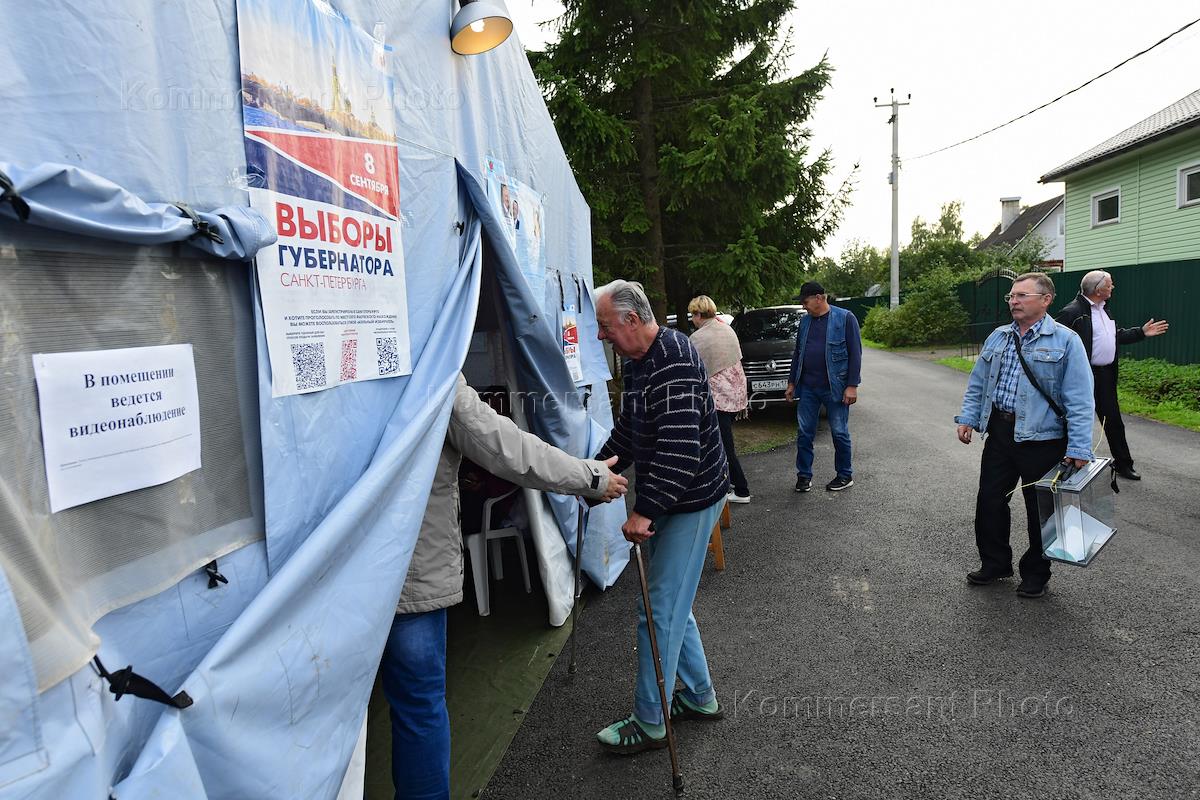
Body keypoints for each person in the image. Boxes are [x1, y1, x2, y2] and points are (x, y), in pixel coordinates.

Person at [384, 374, 627, 799]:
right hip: (408, 566)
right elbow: (503, 446)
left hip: (313, 572)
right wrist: (588, 476)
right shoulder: (426, 355)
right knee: (418, 708)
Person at [592, 279, 729, 754]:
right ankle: (699, 696)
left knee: (656, 611)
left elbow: (680, 450)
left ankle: (651, 721)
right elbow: (629, 430)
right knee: (670, 606)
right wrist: (594, 472)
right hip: (675, 494)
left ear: (632, 320)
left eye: (606, 326)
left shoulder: (671, 359)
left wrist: (644, 511)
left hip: (692, 497)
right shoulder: (637, 362)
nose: (601, 336)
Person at [955, 272, 1095, 599]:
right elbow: (979, 382)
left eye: (1021, 296)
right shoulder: (999, 337)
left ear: (1045, 300)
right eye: (1011, 296)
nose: (1013, 301)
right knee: (989, 501)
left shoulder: (1066, 341)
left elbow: (1080, 398)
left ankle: (1036, 573)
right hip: (1001, 432)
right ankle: (995, 563)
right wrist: (969, 418)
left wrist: (1078, 446)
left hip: (1044, 439)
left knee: (1040, 511)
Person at [1054, 270, 1169, 481]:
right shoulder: (1072, 312)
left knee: (1113, 421)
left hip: (1105, 375)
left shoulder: (1105, 309)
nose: (1112, 287)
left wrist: (1141, 332)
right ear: (1099, 290)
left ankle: (1124, 464)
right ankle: (1067, 461)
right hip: (1081, 376)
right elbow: (1055, 341)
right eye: (1110, 284)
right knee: (1074, 418)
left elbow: (1112, 336)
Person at [784, 281, 862, 492]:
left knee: (839, 432)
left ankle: (845, 475)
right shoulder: (805, 322)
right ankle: (804, 476)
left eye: (805, 301)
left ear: (819, 298)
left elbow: (856, 354)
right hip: (808, 387)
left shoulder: (845, 318)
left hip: (835, 388)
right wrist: (792, 382)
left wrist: (852, 385)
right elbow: (798, 354)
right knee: (804, 433)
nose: (803, 306)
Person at [688, 294, 751, 503]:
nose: (692, 319)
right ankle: (728, 484)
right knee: (723, 443)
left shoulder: (700, 337)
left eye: (692, 315)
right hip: (736, 394)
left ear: (699, 314)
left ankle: (741, 490)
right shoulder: (725, 327)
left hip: (719, 398)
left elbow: (696, 369)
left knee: (723, 445)